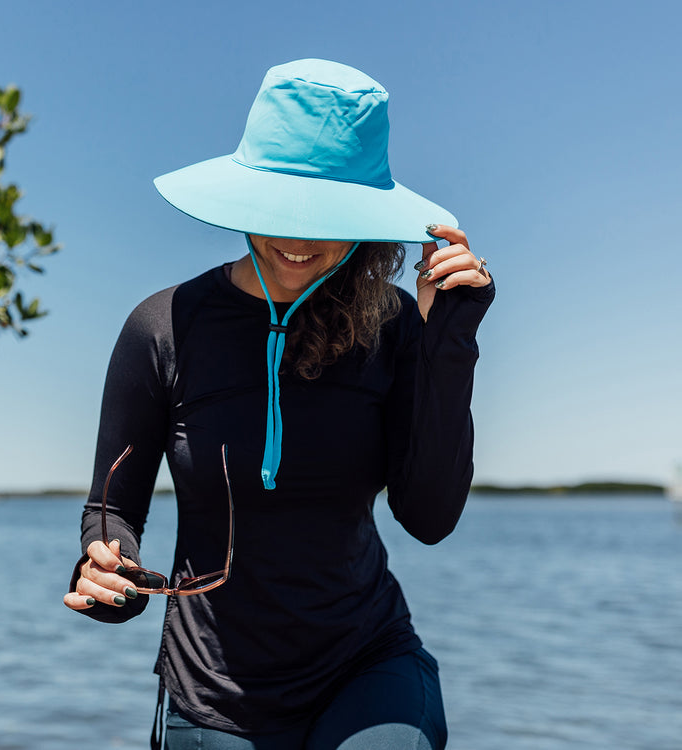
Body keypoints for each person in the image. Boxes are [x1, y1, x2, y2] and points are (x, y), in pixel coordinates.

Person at [64, 58, 494, 750]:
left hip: (367, 662)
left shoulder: (390, 327)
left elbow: (429, 516)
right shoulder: (164, 327)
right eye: (278, 205)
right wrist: (109, 573)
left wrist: (448, 342)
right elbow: (113, 508)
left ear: (366, 219)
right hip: (214, 692)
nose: (295, 237)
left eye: (325, 213)